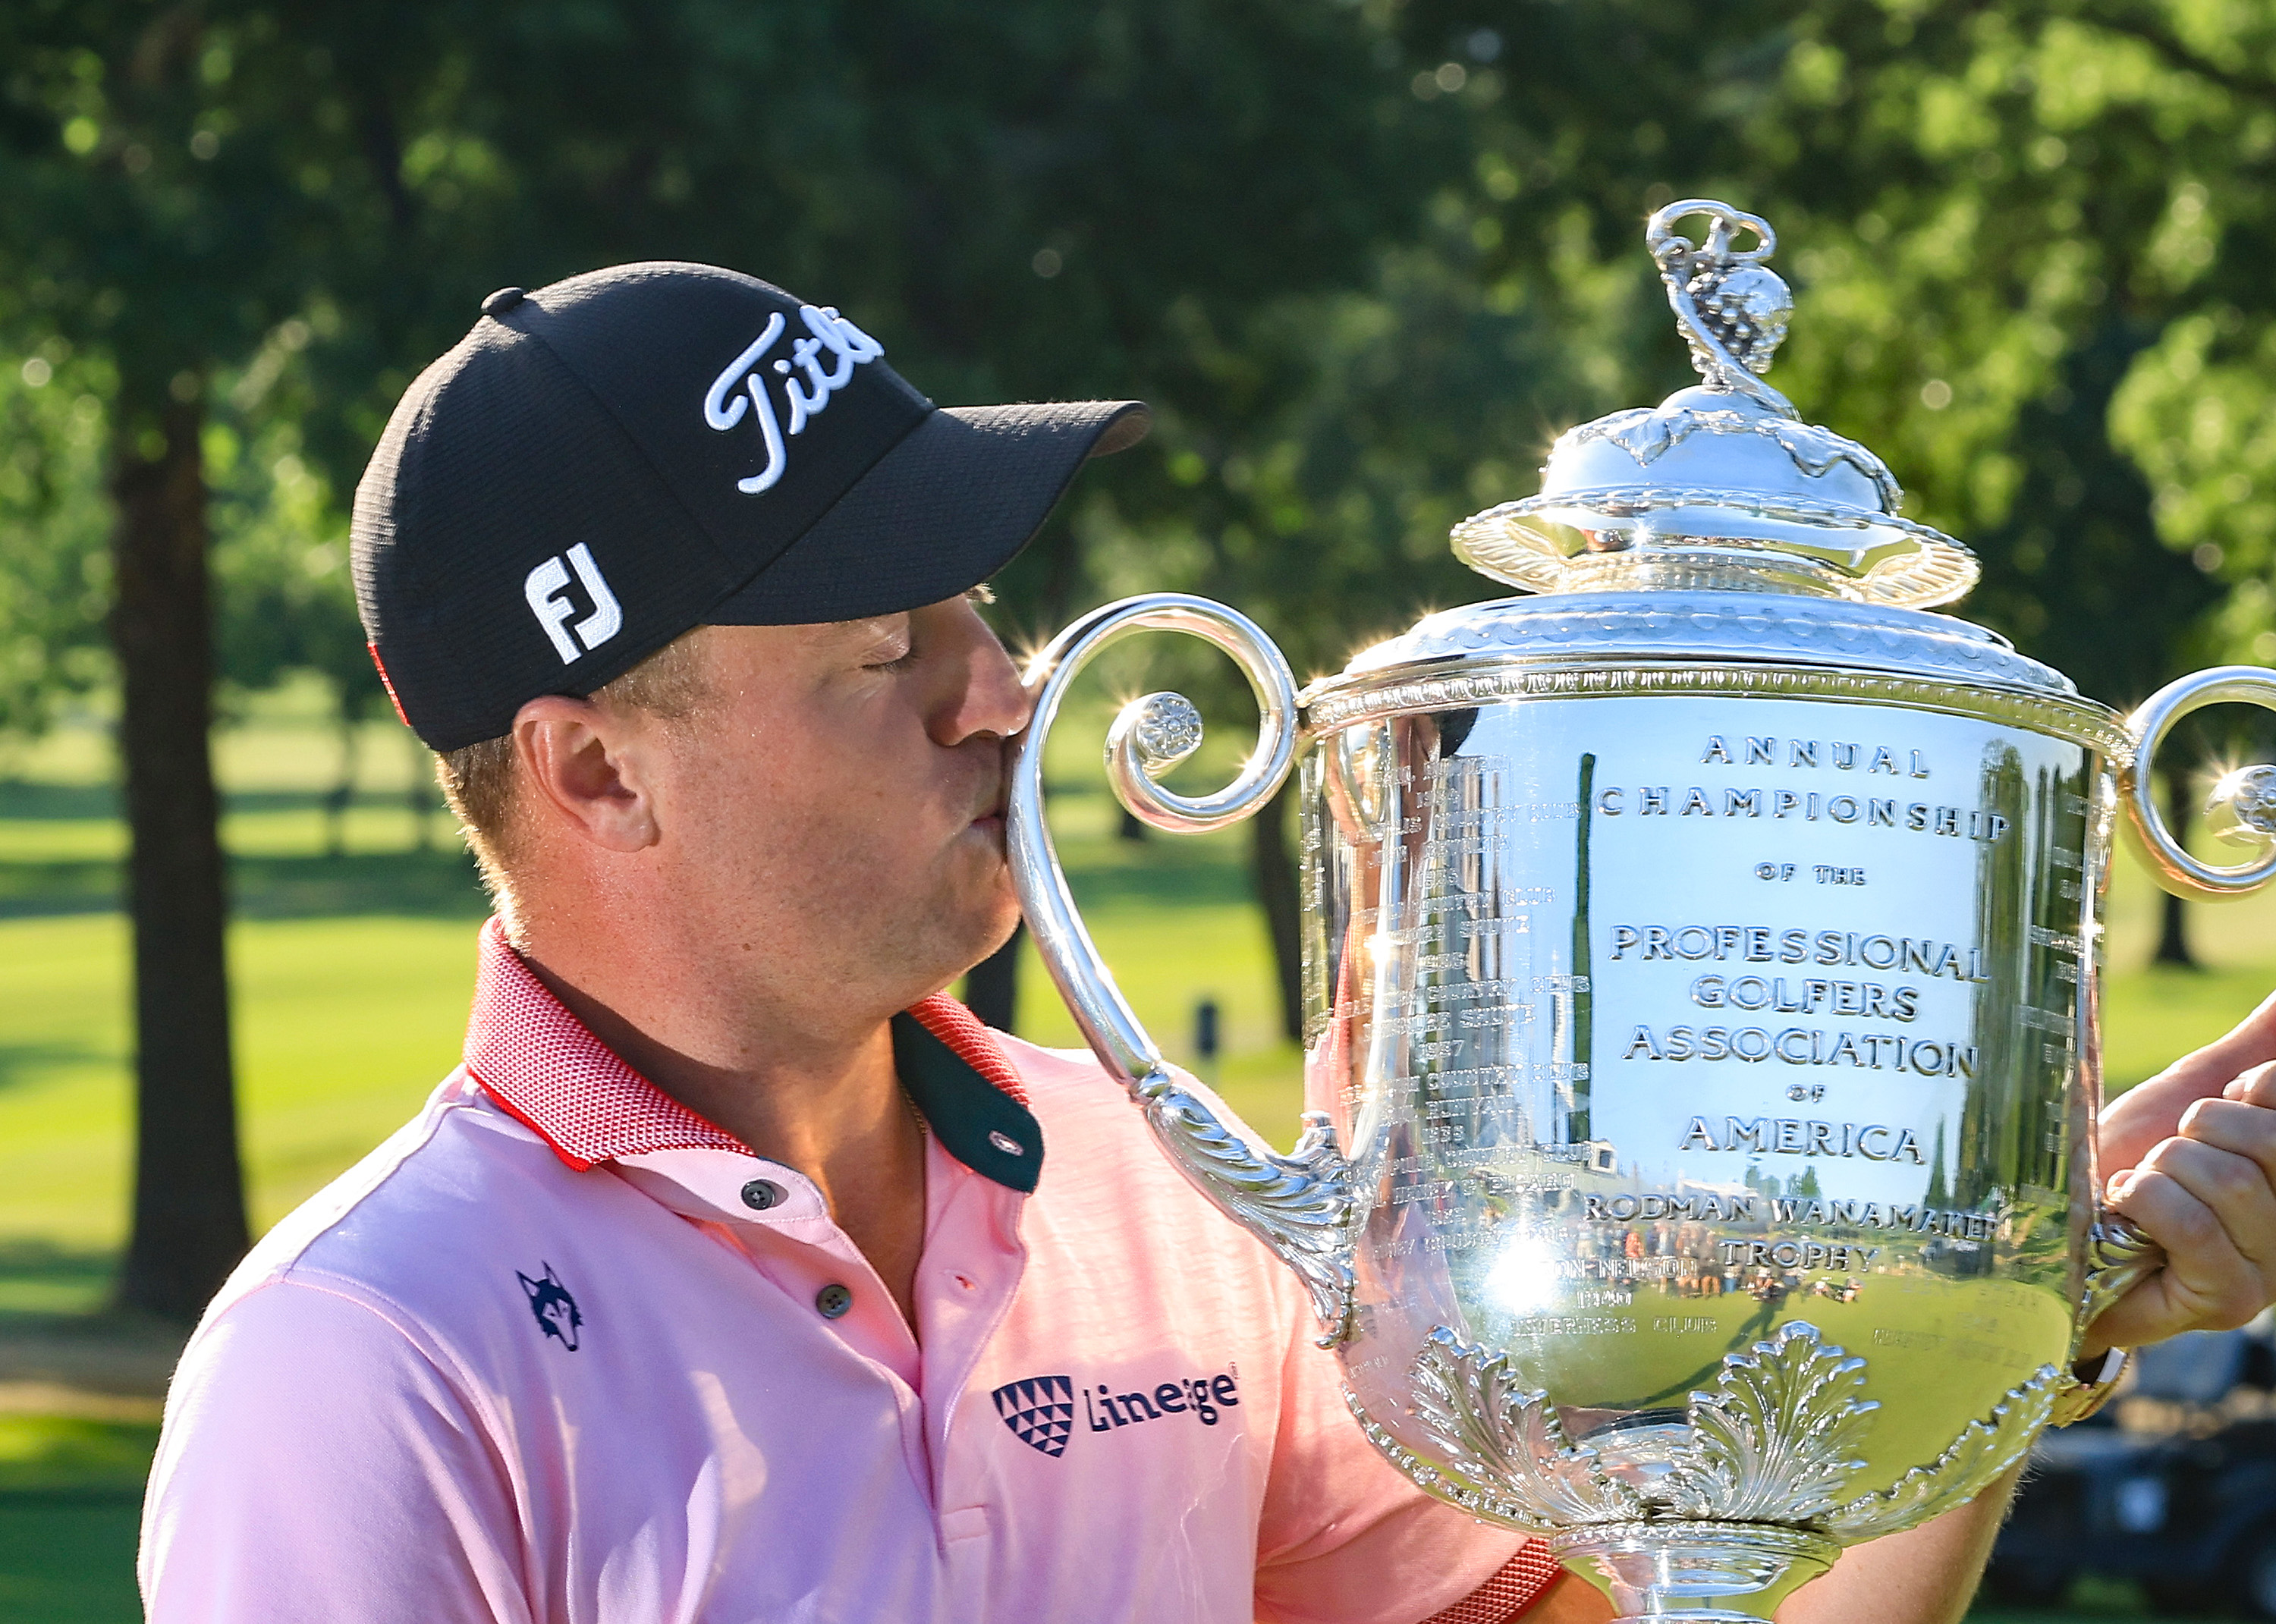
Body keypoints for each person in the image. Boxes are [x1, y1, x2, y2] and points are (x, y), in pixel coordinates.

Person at [138, 262, 2276, 1623]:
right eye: (889, 650)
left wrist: (2008, 1305)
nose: (1005, 695)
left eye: (987, 614)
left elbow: (1703, 1595)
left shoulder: (1168, 1220)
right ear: (598, 773)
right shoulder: (369, 1362)